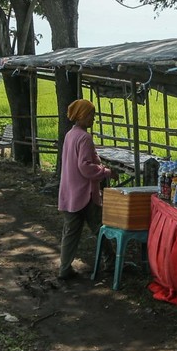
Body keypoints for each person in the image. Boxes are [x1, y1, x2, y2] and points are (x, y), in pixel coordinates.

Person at [57, 98, 116, 280]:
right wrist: (105, 171)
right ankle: (111, 263)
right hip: (84, 193)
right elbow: (85, 167)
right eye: (91, 115)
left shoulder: (70, 134)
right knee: (100, 228)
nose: (93, 119)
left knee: (70, 232)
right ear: (81, 115)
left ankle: (65, 268)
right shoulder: (84, 137)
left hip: (70, 192)